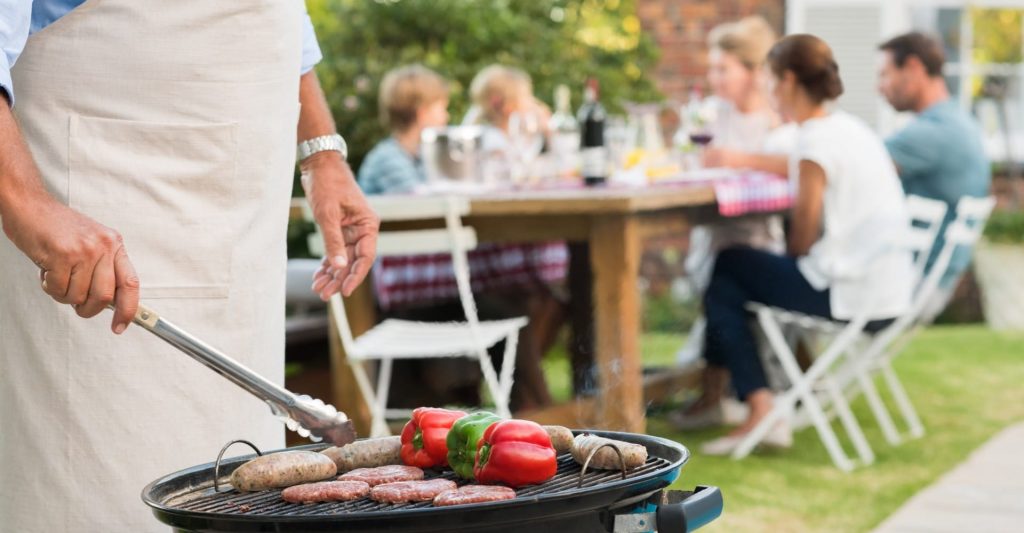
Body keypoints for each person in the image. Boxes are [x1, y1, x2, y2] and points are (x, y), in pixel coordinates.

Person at [0, 2, 378, 531]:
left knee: (240, 482)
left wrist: (321, 153)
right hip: (107, 171)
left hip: (243, 210)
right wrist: (28, 203)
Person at [699, 34, 914, 455]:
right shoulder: (850, 128)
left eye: (771, 81)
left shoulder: (814, 144)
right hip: (886, 293)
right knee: (731, 276)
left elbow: (800, 238)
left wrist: (778, 263)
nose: (768, 91)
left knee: (726, 265)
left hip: (850, 296)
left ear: (790, 82)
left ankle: (757, 406)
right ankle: (748, 402)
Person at [670, 16, 792, 430]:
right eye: (712, 68)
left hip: (760, 238)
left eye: (724, 68)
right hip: (714, 231)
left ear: (753, 71)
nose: (714, 77)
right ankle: (718, 397)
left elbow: (796, 166)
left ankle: (725, 397)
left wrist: (736, 159)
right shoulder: (709, 114)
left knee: (724, 286)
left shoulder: (778, 119)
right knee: (720, 280)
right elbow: (684, 154)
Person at [877, 32, 992, 291]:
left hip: (908, 280)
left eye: (884, 74)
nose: (879, 87)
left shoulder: (934, 131)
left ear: (914, 68)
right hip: (932, 276)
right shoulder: (957, 121)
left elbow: (851, 168)